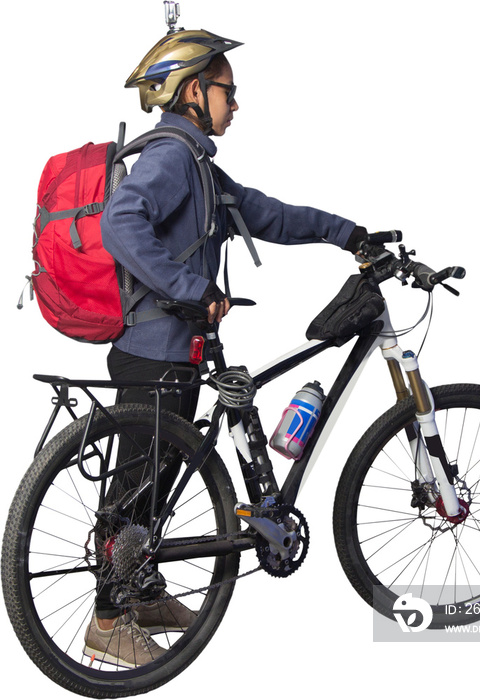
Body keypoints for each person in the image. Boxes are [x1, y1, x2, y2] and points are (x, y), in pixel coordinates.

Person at [84, 28, 368, 667]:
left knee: (156, 484)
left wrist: (346, 233)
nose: (235, 105)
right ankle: (107, 619)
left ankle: (145, 592)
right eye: (227, 92)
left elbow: (266, 214)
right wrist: (189, 288)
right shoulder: (171, 158)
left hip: (172, 350)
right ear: (192, 91)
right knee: (136, 489)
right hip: (153, 350)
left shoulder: (198, 164)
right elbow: (119, 222)